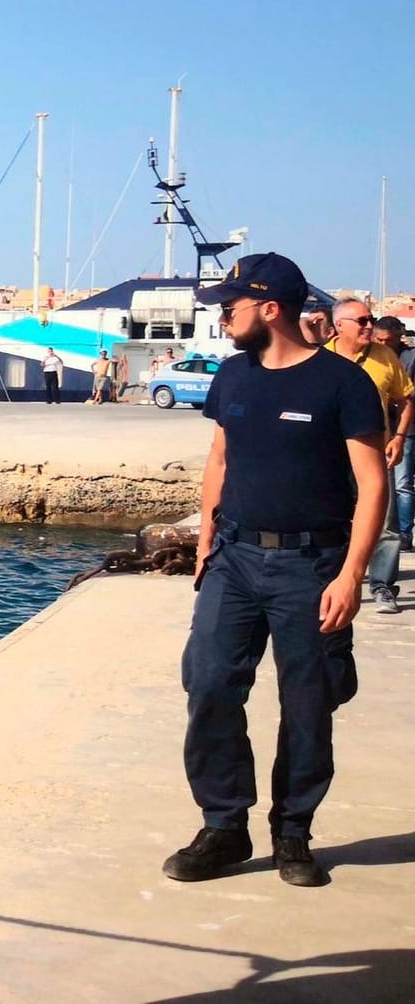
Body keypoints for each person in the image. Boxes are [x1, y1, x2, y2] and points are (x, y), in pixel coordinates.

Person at [166, 253, 384, 890]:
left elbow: (372, 488)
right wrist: (206, 538)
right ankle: (224, 826)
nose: (222, 313)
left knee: (308, 703)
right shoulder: (232, 375)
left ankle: (293, 832)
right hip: (232, 559)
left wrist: (350, 577)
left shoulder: (342, 384)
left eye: (230, 304)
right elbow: (220, 458)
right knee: (208, 685)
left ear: (270, 309)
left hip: (310, 565)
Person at [327, 298, 413, 614]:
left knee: (386, 524)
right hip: (330, 455)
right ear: (339, 326)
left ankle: (382, 586)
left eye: (370, 319)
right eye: (361, 321)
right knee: (333, 518)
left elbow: (405, 400)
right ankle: (336, 578)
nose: (368, 326)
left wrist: (400, 437)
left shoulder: (385, 357)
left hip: (377, 451)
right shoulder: (321, 357)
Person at [382, 316, 415, 550]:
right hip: (382, 427)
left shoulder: (410, 357)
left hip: (407, 429)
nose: (383, 344)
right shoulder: (375, 356)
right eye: (379, 339)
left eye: (388, 340)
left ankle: (404, 532)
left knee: (402, 483)